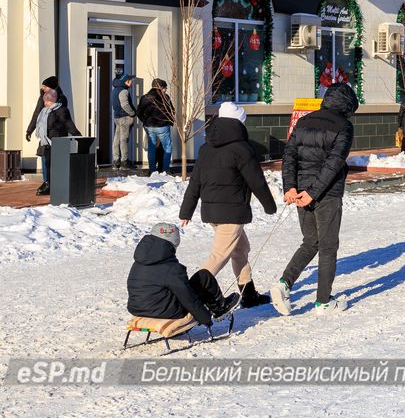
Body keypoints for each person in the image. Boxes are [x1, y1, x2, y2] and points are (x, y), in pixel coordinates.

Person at [179, 102, 278, 309]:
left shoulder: (206, 148)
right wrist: (270, 206)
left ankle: (248, 295)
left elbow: (195, 181)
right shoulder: (242, 149)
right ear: (240, 123)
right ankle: (187, 296)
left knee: (240, 249)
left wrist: (186, 210)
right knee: (219, 255)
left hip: (212, 211)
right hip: (231, 213)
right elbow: (256, 181)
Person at [274, 81, 356, 314]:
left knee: (311, 241)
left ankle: (284, 283)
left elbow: (289, 155)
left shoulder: (304, 121)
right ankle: (323, 302)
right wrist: (313, 193)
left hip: (300, 192)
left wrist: (290, 187)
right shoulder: (345, 126)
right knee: (328, 246)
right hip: (325, 193)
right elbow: (334, 163)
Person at [126, 222, 237, 338]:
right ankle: (220, 308)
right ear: (173, 243)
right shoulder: (171, 267)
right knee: (204, 277)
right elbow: (187, 297)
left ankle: (218, 307)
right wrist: (205, 318)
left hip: (137, 309)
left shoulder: (139, 261)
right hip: (166, 312)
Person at [26, 85, 79, 196]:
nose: (44, 104)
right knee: (48, 164)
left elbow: (69, 125)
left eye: (46, 102)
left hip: (57, 142)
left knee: (57, 166)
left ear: (51, 100)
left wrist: (78, 137)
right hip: (46, 144)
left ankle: (58, 186)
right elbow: (37, 119)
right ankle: (49, 184)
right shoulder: (45, 111)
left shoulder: (61, 110)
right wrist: (29, 131)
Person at [137, 79, 176, 174]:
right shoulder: (165, 97)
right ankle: (166, 169)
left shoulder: (144, 97)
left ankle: (152, 169)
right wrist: (170, 122)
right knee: (167, 147)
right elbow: (172, 111)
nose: (166, 90)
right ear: (161, 88)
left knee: (151, 147)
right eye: (165, 88)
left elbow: (139, 112)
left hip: (149, 126)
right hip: (162, 126)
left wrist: (145, 121)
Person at [110, 72, 139, 169]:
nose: (132, 82)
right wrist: (132, 113)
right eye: (131, 81)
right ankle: (124, 161)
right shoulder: (124, 91)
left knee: (117, 139)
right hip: (125, 117)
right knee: (123, 140)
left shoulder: (115, 90)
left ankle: (116, 160)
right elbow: (125, 104)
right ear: (126, 81)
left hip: (117, 117)